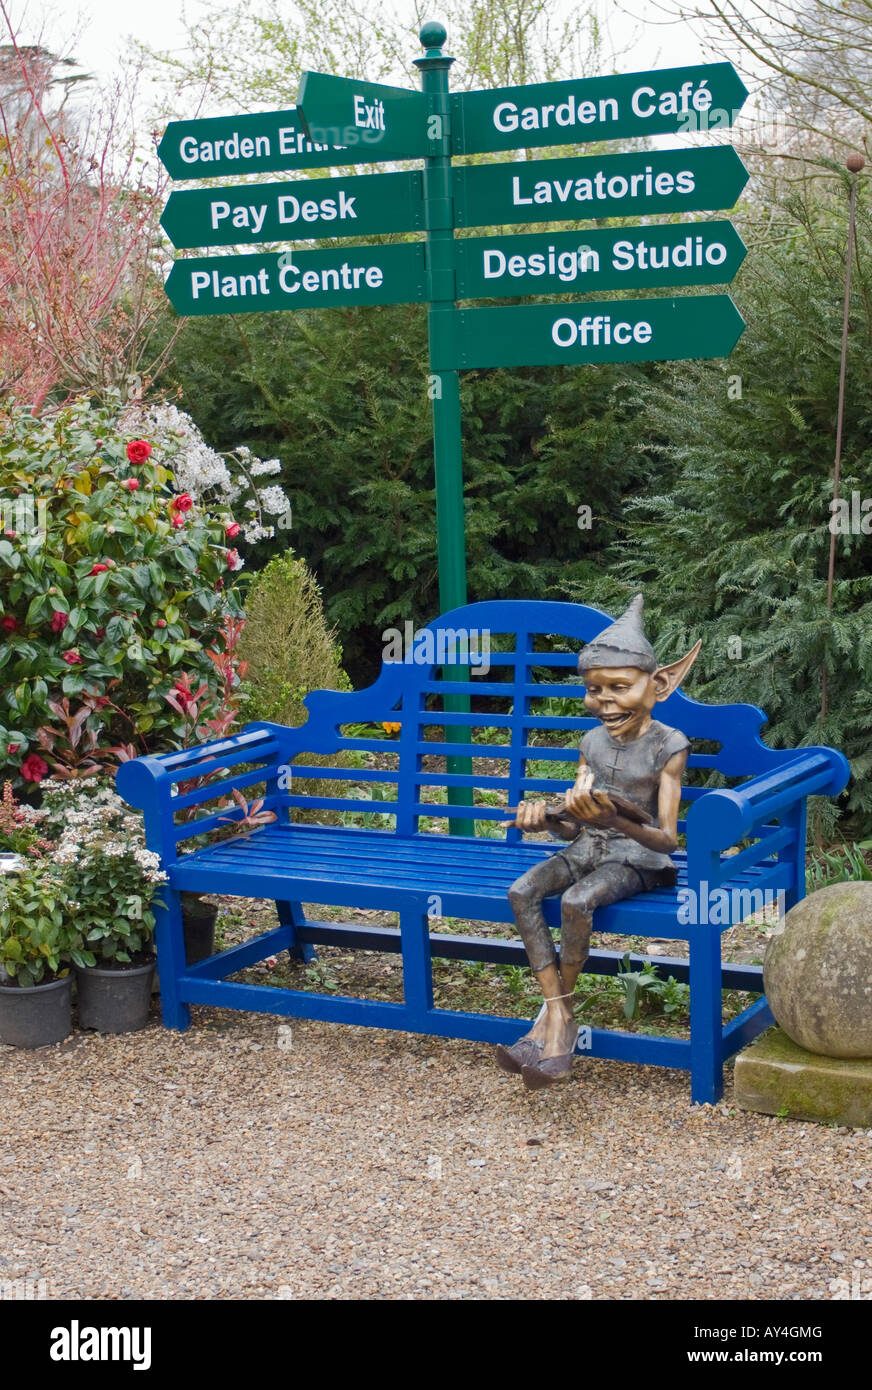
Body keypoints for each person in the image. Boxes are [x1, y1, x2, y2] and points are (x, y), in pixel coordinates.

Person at [496, 594, 701, 1090]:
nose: (604, 700)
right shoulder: (590, 743)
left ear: (659, 684)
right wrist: (546, 821)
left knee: (576, 899)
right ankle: (559, 1017)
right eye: (594, 689)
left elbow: (668, 840)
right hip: (591, 846)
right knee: (522, 890)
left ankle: (551, 1026)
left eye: (619, 687)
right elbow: (574, 826)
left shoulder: (669, 746)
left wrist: (618, 819)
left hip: (638, 855)